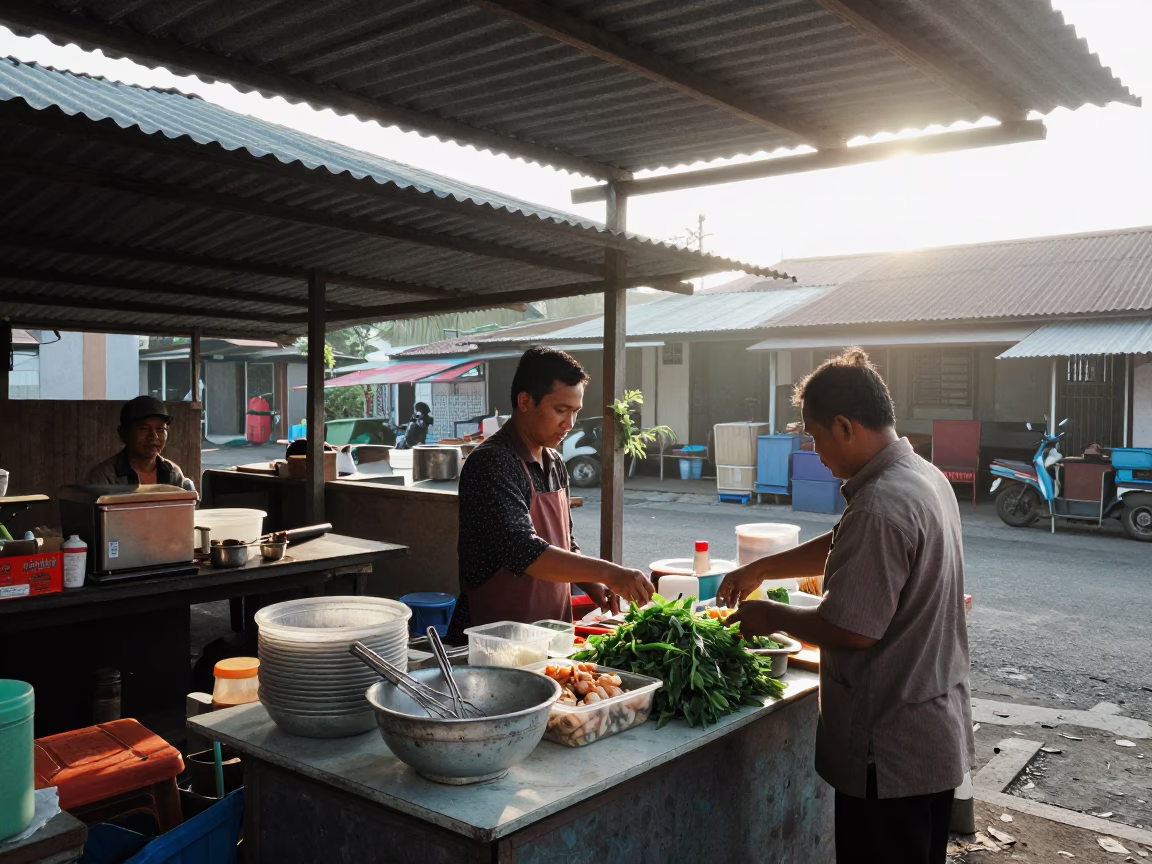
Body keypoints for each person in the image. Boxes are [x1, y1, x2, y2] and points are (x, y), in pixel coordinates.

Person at [717, 349, 972, 864]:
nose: (815, 452)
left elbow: (850, 629)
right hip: (932, 733)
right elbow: (842, 540)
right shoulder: (921, 476)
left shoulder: (880, 503)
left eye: (815, 438)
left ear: (844, 425)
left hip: (890, 748)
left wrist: (767, 616)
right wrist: (762, 568)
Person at [447, 347, 654, 641]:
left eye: (575, 412)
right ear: (525, 402)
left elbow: (564, 542)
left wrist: (592, 580)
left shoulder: (554, 462)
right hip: (492, 640)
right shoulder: (492, 462)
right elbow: (523, 550)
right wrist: (610, 572)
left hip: (550, 637)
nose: (569, 425)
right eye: (560, 411)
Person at [85, 395, 197, 493]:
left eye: (160, 429)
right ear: (123, 433)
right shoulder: (104, 478)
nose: (154, 436)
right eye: (144, 429)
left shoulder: (172, 473)